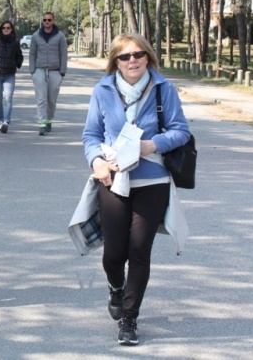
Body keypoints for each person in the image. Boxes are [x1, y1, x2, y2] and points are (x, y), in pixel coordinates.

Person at [81, 33, 191, 346]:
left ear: (148, 57)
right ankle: (116, 288)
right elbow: (91, 135)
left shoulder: (163, 88)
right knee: (114, 254)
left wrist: (152, 145)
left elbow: (181, 131)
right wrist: (96, 162)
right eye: (125, 56)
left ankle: (129, 318)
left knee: (139, 251)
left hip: (153, 179)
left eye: (139, 54)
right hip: (113, 179)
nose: (133, 61)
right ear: (115, 61)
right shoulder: (103, 90)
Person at [29, 12, 67, 135]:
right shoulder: (36, 36)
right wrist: (32, 70)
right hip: (39, 70)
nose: (47, 22)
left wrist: (62, 72)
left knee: (51, 100)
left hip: (55, 71)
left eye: (49, 20)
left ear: (53, 21)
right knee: (41, 99)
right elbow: (32, 54)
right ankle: (42, 124)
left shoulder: (60, 36)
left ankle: (49, 120)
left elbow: (63, 54)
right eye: (45, 20)